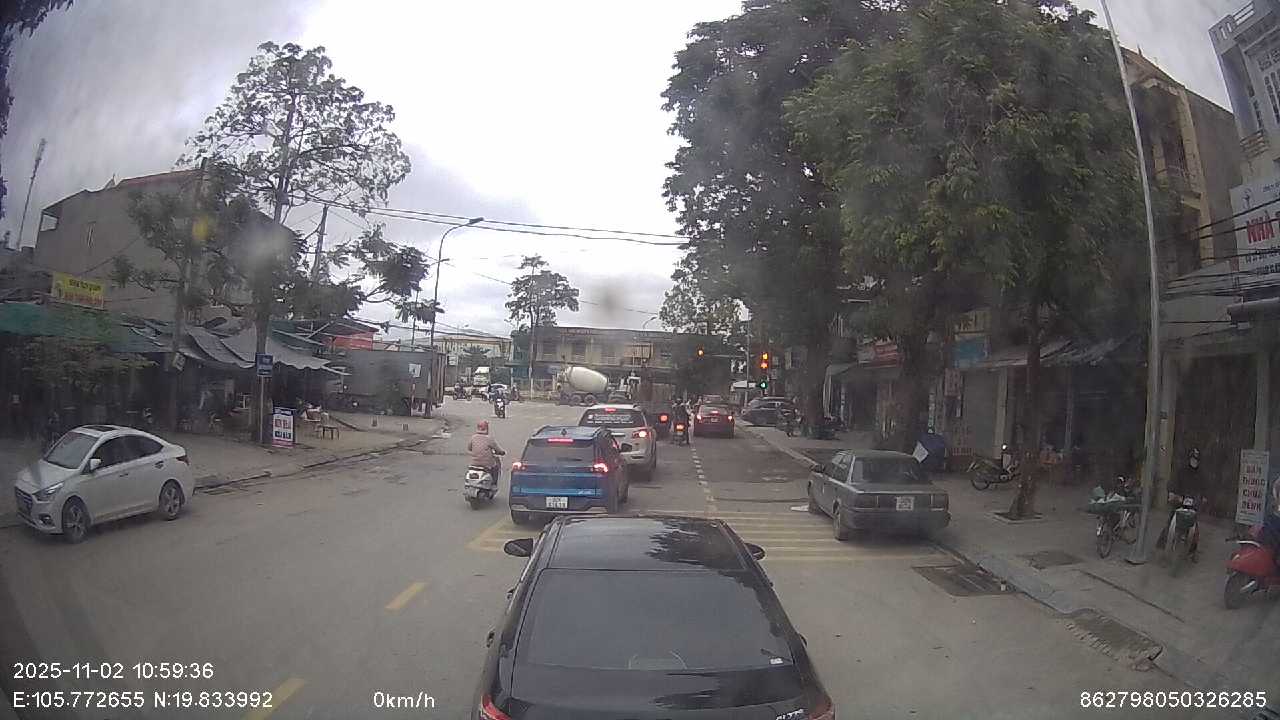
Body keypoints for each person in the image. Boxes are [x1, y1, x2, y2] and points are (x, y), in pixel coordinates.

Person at [1156, 447, 1201, 559]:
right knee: (1170, 521)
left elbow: (1204, 488)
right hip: (1179, 502)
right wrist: (1173, 493)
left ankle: (1193, 550)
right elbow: (1173, 482)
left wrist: (1202, 498)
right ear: (1189, 459)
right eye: (1193, 459)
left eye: (1196, 460)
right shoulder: (1181, 471)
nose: (1194, 461)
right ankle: (1162, 546)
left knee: (1195, 527)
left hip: (1193, 505)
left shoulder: (1201, 475)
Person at [467, 420, 505, 485]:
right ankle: (493, 484)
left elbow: (469, 448)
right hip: (486, 464)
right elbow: (497, 449)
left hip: (474, 463)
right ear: (486, 428)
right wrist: (502, 452)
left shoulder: (473, 438)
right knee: (495, 468)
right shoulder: (489, 439)